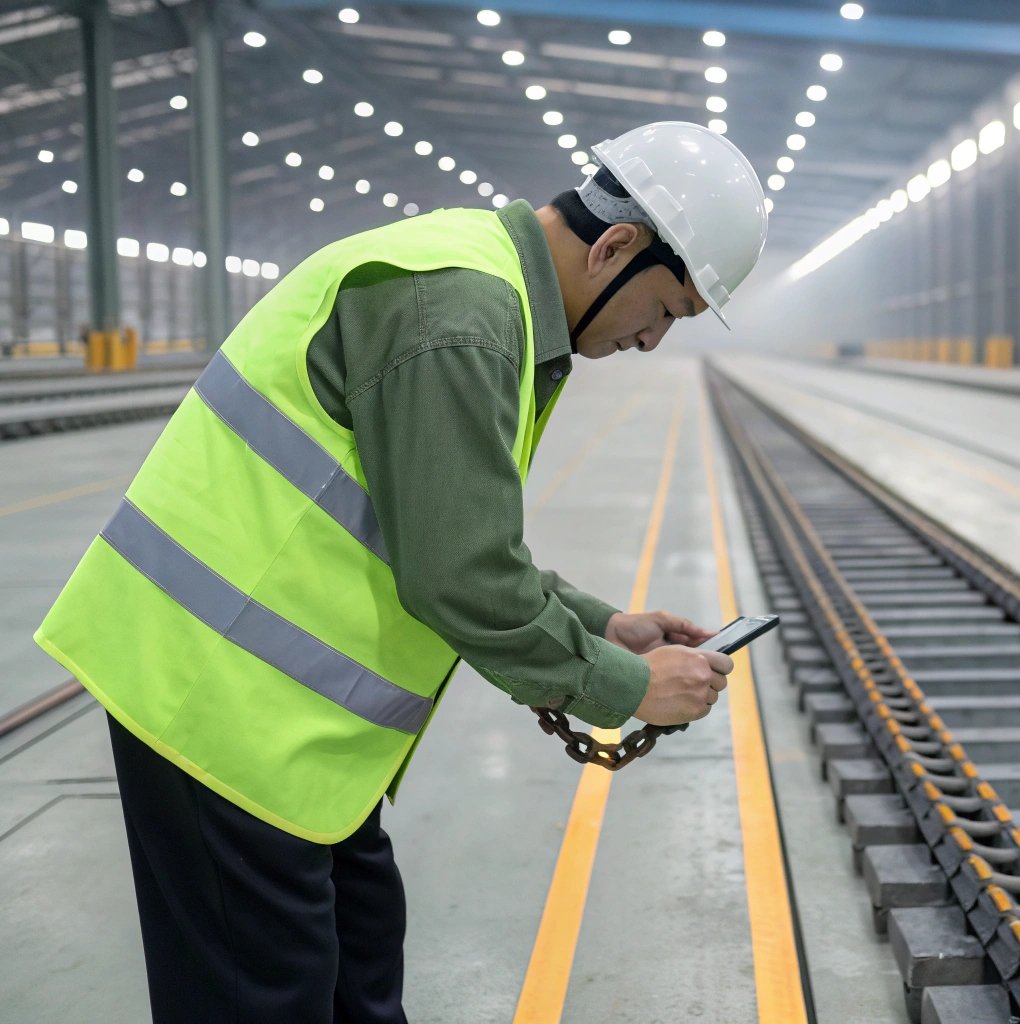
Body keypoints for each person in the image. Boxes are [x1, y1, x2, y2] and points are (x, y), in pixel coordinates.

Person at [34, 121, 768, 1023]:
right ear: (616, 247)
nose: (653, 341)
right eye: (664, 312)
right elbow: (457, 575)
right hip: (212, 697)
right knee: (259, 993)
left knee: (359, 960)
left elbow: (443, 529)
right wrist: (624, 685)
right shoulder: (462, 312)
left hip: (278, 724)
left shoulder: (481, 291)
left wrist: (600, 626)